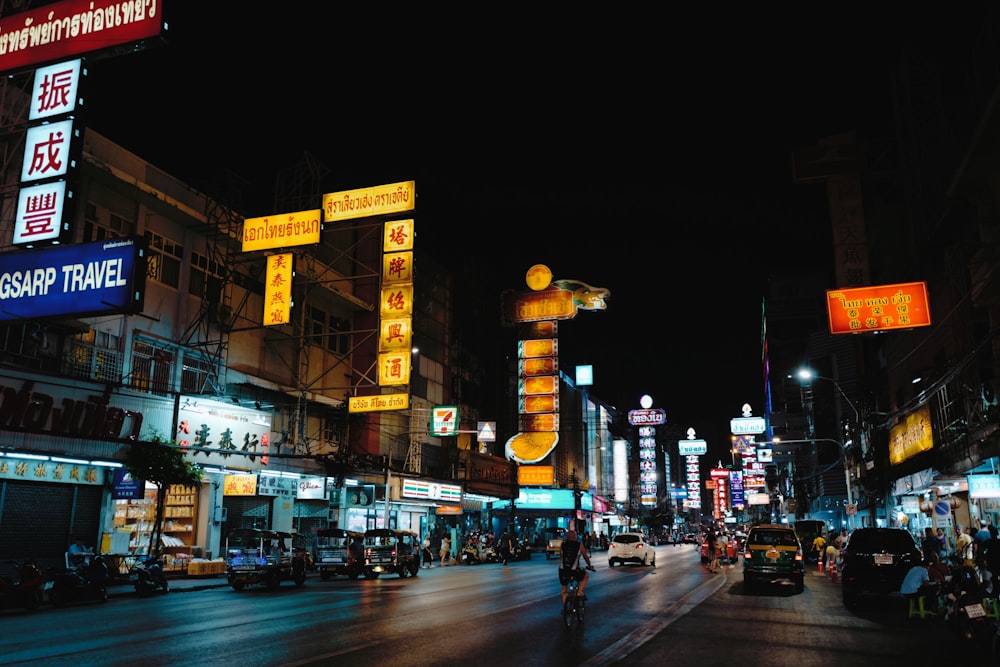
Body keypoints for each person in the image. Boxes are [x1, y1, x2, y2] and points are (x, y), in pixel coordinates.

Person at [559, 529, 594, 605]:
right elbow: (585, 556)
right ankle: (580, 592)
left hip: (562, 570)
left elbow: (561, 556)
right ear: (575, 537)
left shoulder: (563, 544)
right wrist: (590, 566)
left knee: (564, 589)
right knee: (586, 576)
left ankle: (566, 608)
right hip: (574, 571)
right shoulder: (579, 545)